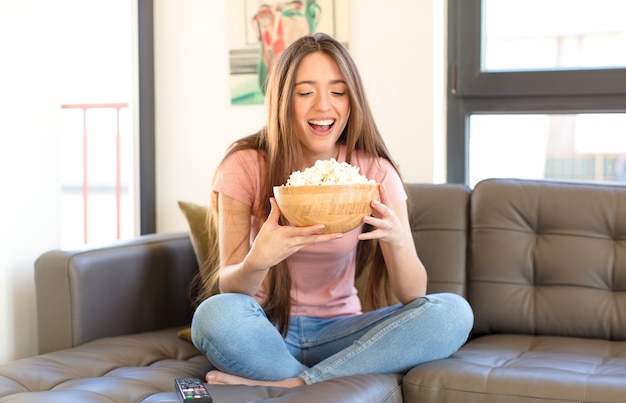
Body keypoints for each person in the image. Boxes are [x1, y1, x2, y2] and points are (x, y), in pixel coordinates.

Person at [191, 32, 473, 388]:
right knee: (214, 315)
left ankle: (295, 386)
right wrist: (257, 260)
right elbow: (228, 286)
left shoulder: (373, 172)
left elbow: (413, 294)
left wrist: (399, 241)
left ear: (352, 100)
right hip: (263, 328)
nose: (323, 106)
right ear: (283, 100)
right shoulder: (245, 164)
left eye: (338, 92)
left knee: (453, 313)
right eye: (305, 92)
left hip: (342, 332)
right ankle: (318, 382)